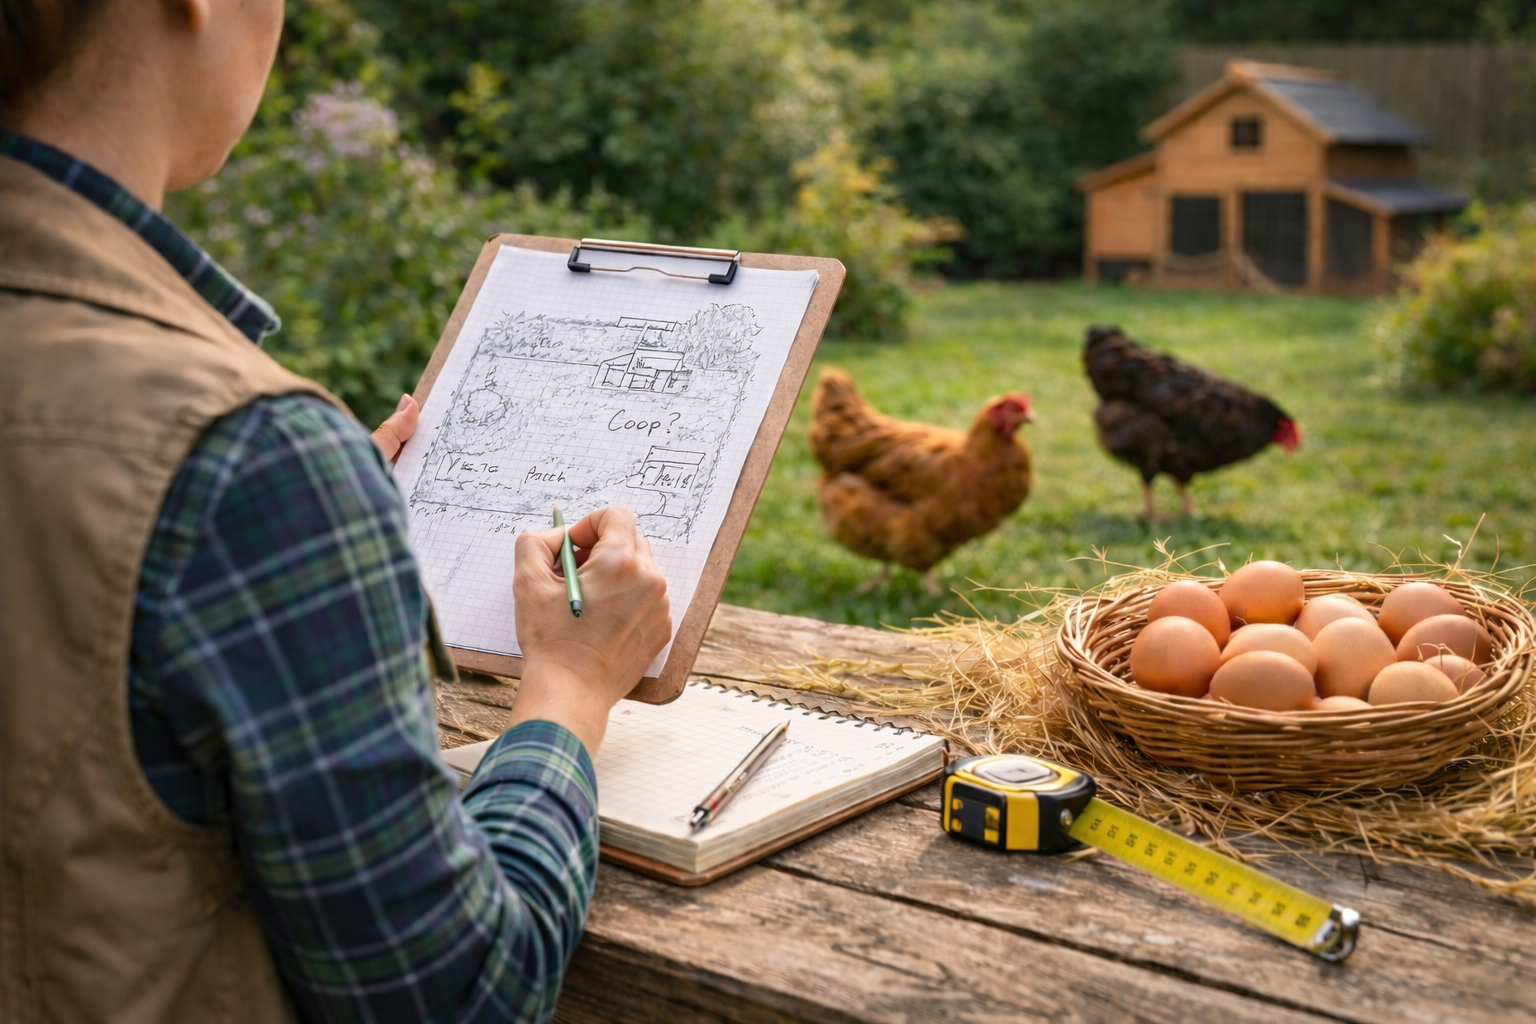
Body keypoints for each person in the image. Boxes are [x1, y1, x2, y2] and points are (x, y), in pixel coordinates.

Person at [0, 0, 672, 1021]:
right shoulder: (245, 462)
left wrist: (282, 531)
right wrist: (571, 690)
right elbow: (455, 998)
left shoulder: (226, 465)